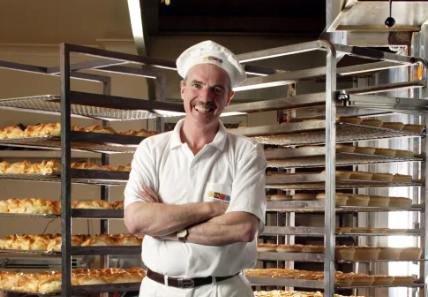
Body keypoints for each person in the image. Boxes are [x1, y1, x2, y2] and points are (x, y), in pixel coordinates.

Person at [124, 40, 267, 297]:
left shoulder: (246, 152)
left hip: (222, 290)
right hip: (159, 290)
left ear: (228, 98)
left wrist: (166, 227)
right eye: (197, 85)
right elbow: (136, 220)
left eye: (216, 89)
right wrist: (210, 209)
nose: (205, 97)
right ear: (183, 90)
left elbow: (243, 228)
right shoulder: (151, 149)